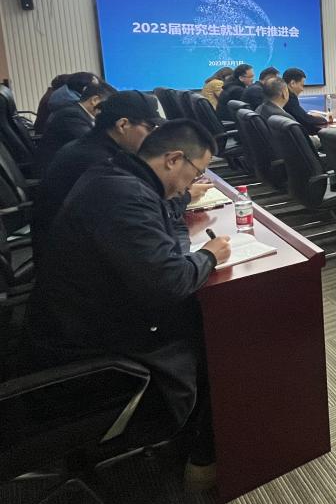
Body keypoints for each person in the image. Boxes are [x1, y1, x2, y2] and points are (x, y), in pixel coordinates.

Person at [23, 120, 231, 480]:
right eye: (195, 172)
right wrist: (209, 255)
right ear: (173, 159)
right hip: (85, 350)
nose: (191, 182)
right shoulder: (125, 196)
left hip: (73, 323)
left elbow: (163, 226)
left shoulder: (116, 175)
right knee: (220, 341)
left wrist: (181, 199)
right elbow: (171, 281)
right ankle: (202, 457)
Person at [32, 91, 165, 260]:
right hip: (73, 262)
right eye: (150, 128)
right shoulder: (101, 163)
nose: (154, 136)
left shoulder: (92, 145)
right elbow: (136, 214)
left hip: (71, 249)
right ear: (123, 125)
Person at [35, 81, 116, 173]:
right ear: (95, 100)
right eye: (109, 106)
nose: (110, 112)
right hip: (55, 172)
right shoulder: (71, 116)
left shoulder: (78, 112)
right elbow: (93, 143)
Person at [281, 67, 327, 135]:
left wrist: (308, 115)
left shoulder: (282, 95)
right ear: (292, 83)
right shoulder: (289, 98)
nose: (302, 89)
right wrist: (324, 119)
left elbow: (299, 115)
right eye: (302, 85)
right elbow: (306, 120)